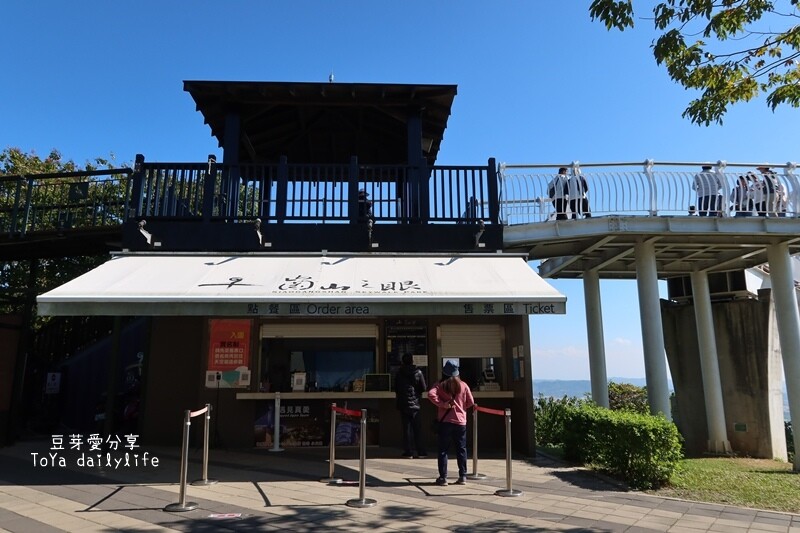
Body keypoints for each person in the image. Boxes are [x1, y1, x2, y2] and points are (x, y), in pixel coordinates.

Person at [427, 361, 474, 486]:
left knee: (443, 450)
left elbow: (430, 394)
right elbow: (471, 402)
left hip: (445, 422)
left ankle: (443, 478)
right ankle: (463, 476)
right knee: (461, 449)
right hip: (461, 422)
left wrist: (443, 404)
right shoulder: (463, 385)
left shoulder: (440, 385)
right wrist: (462, 407)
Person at [394, 353, 428, 458]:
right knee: (417, 429)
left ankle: (408, 452)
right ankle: (421, 452)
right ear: (412, 361)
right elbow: (423, 387)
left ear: (403, 362)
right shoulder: (418, 372)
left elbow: (396, 388)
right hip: (415, 404)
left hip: (404, 404)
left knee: (407, 430)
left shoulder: (399, 373)